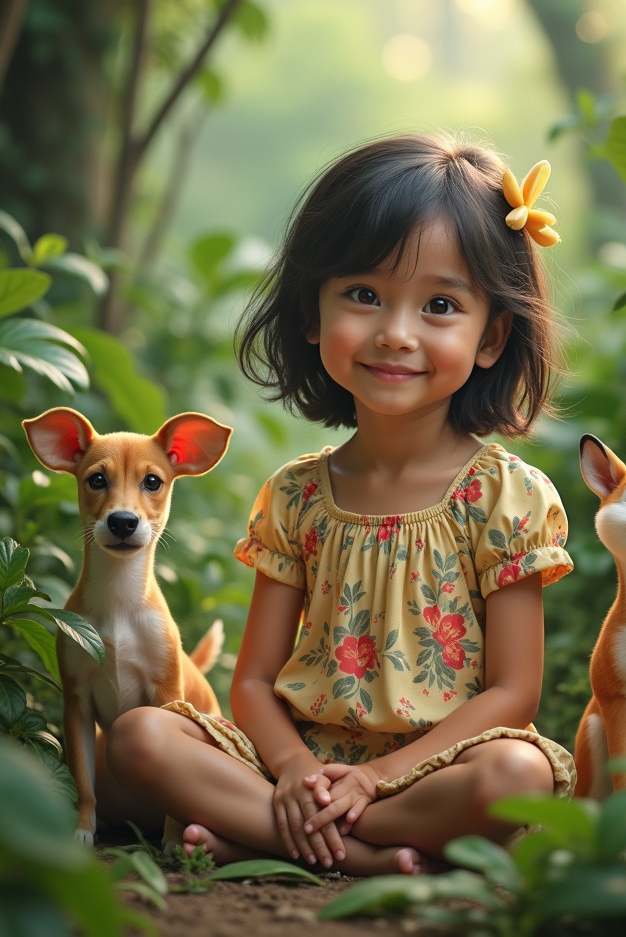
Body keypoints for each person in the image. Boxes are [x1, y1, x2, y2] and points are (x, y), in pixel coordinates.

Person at [106, 132, 576, 877]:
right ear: (310, 314)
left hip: (436, 769)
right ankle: (362, 852)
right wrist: (294, 768)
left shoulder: (504, 497)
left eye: (440, 305)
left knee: (517, 775)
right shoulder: (297, 495)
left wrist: (374, 780)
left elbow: (514, 692)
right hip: (297, 764)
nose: (395, 333)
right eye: (364, 295)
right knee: (138, 739)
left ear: (491, 337)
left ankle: (277, 838)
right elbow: (254, 682)